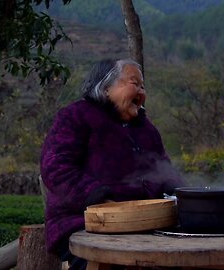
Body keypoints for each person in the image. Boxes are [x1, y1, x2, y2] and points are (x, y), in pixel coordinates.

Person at [40, 59, 186, 269]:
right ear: (106, 88)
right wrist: (98, 197)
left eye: (143, 86)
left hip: (144, 224)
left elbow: (165, 172)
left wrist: (184, 194)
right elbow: (55, 167)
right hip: (84, 223)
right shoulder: (75, 116)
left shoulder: (146, 129)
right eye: (135, 83)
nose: (142, 91)